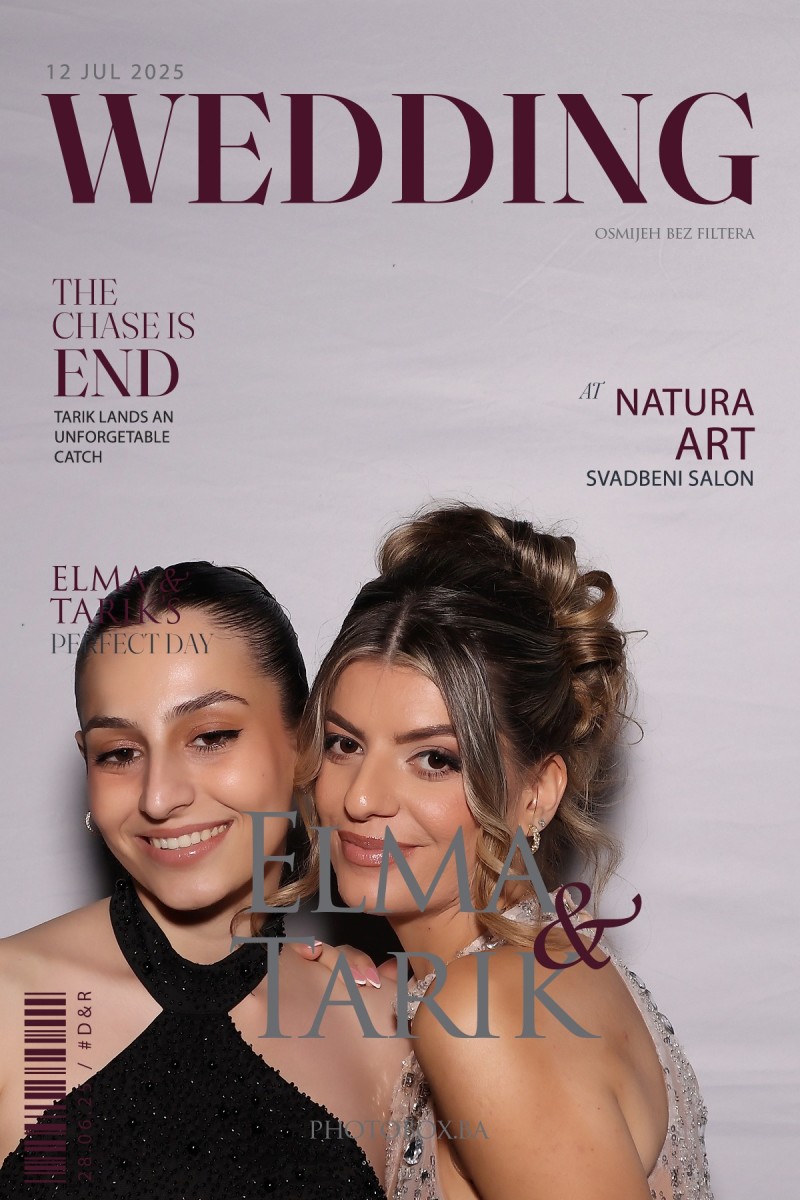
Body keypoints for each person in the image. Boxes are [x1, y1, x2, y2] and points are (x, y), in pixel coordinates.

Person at [290, 504, 714, 1200]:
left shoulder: (480, 1016)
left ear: (538, 793)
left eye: (434, 759)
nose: (361, 798)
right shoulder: (557, 956)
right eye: (344, 744)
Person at [0, 563, 406, 1199]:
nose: (158, 797)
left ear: (304, 743)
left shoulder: (378, 1025)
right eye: (119, 753)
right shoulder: (13, 1006)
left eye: (211, 737)